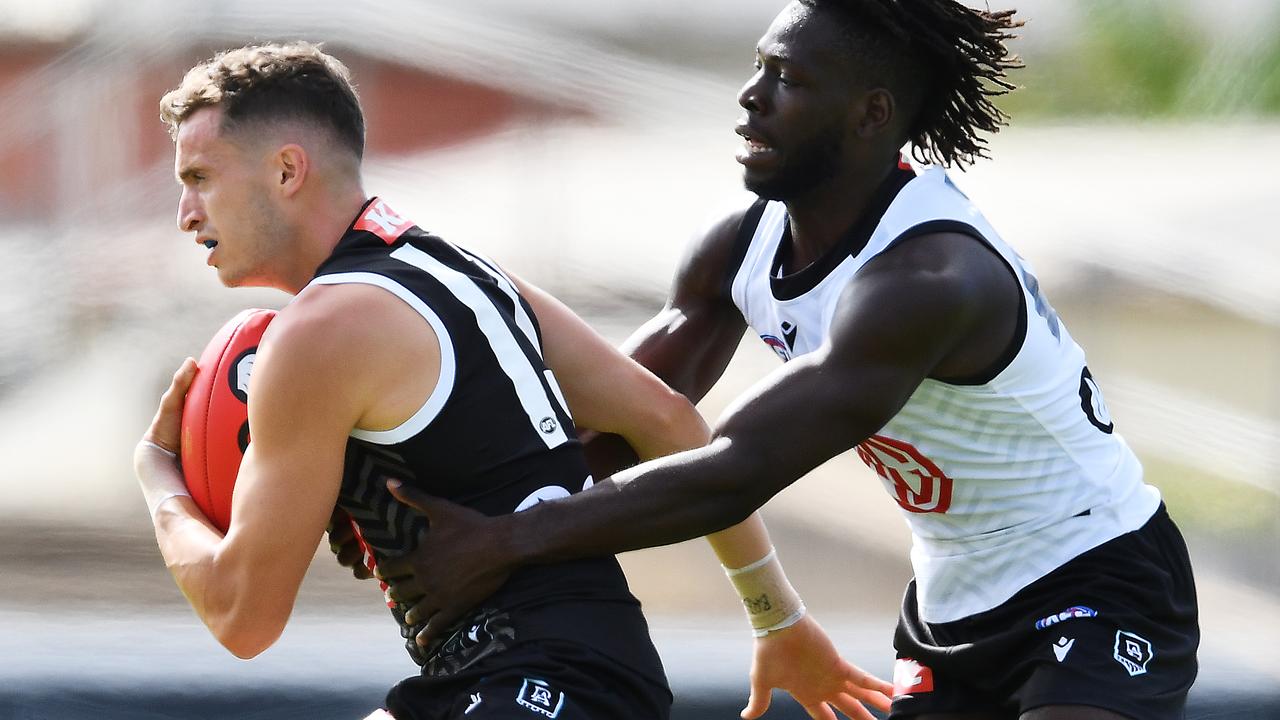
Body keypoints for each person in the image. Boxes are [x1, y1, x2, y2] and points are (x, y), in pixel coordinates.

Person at [377, 2, 1201, 719]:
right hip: (953, 595)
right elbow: (630, 420)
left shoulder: (928, 281)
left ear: (870, 113)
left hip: (1095, 576)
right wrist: (437, 496)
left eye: (788, 79)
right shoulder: (740, 243)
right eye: (757, 67)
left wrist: (508, 541)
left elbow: (734, 469)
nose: (749, 97)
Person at [132, 42, 892, 720]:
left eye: (199, 177)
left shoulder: (316, 334)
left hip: (538, 679)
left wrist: (160, 480)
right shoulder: (466, 272)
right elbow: (667, 420)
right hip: (580, 671)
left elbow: (243, 617)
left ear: (287, 169)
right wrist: (777, 618)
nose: (184, 212)